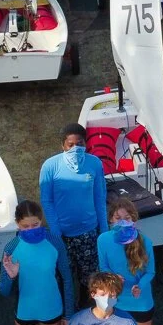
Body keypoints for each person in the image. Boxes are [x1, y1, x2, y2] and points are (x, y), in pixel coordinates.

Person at [38, 124, 109, 293]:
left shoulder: (95, 163)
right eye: (71, 144)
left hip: (88, 231)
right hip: (62, 234)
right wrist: (55, 230)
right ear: (63, 145)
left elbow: (100, 198)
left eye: (80, 143)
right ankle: (65, 305)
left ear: (86, 144)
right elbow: (46, 201)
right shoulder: (50, 166)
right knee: (64, 274)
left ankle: (85, 300)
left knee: (89, 274)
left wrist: (104, 227)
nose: (76, 148)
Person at [97, 197, 157, 325]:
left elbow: (150, 272)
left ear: (134, 220)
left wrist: (141, 285)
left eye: (127, 217)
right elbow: (103, 267)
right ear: (110, 221)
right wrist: (113, 278)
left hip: (141, 301)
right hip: (115, 300)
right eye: (117, 217)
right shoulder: (103, 240)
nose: (122, 221)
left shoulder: (145, 241)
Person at [0, 200, 74, 325]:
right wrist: (10, 277)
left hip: (52, 310)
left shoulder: (55, 242)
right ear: (17, 224)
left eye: (35, 225)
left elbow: (67, 279)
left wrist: (69, 314)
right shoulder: (11, 248)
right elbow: (3, 291)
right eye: (25, 227)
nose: (31, 229)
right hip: (24, 312)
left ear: (41, 220)